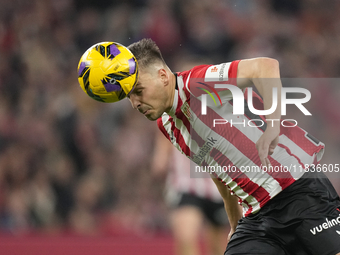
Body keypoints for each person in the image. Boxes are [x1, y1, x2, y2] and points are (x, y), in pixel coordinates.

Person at [126, 38, 340, 255]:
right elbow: (218, 168)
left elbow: (265, 66)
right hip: (257, 217)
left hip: (299, 191)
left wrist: (273, 125)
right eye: (129, 96)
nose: (134, 103)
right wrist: (235, 223)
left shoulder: (196, 83)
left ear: (162, 76)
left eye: (138, 91)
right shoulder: (168, 125)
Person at [152, 130, 229, 255]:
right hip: (185, 185)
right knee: (186, 238)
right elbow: (160, 158)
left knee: (217, 244)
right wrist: (162, 154)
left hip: (216, 188)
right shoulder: (173, 114)